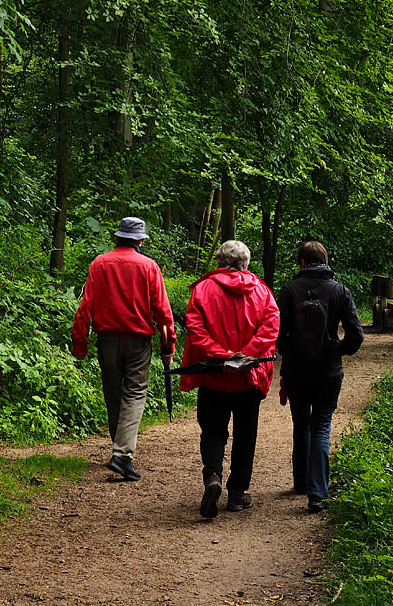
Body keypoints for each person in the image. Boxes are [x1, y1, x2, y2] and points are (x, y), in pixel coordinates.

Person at [179, 240, 280, 518]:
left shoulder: (203, 289)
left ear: (220, 261)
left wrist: (222, 356)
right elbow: (271, 328)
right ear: (245, 263)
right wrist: (244, 356)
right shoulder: (261, 291)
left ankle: (212, 476)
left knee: (212, 430)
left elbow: (195, 328)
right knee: (246, 435)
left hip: (214, 374)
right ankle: (237, 493)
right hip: (248, 376)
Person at [72, 217, 176, 482]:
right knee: (135, 393)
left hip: (106, 338)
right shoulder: (149, 267)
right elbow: (163, 313)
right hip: (138, 341)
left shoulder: (99, 264)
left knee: (113, 393)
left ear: (117, 237)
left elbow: (86, 306)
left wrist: (80, 343)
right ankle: (122, 454)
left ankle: (120, 451)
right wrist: (167, 346)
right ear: (140, 240)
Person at [277, 240, 364, 513]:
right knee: (321, 426)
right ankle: (317, 493)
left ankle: (301, 482)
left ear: (301, 262)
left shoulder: (289, 291)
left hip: (296, 370)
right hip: (328, 371)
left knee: (301, 422)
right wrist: (337, 350)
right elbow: (356, 336)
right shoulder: (340, 291)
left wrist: (291, 352)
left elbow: (277, 335)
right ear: (325, 260)